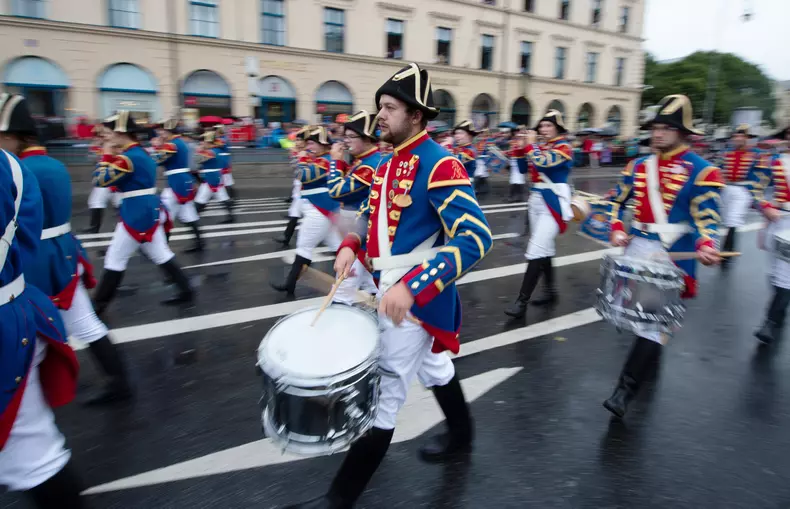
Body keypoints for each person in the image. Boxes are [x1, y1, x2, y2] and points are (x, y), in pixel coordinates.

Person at [285, 63, 492, 509]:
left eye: (390, 107)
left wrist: (413, 288)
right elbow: (373, 220)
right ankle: (463, 433)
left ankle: (336, 501)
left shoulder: (441, 164)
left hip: (416, 302)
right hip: (388, 289)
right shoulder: (387, 162)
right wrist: (352, 244)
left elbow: (476, 237)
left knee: (383, 397)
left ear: (416, 115)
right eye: (380, 106)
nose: (380, 115)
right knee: (435, 370)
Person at [0, 95, 131, 406]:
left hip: (39, 260)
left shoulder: (18, 168)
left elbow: (104, 178)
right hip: (61, 252)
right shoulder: (50, 164)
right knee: (83, 324)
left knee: (32, 334)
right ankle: (118, 383)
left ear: (16, 135)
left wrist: (110, 152)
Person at [603, 94, 722, 418]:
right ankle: (651, 357)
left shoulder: (703, 171)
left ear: (683, 132)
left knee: (651, 325)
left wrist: (707, 244)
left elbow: (707, 219)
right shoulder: (639, 165)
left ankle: (624, 390)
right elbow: (616, 201)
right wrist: (615, 227)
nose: (658, 134)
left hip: (672, 254)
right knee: (639, 319)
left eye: (666, 128)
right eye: (655, 127)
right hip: (639, 247)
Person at [0, 144, 84, 506]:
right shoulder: (18, 167)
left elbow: (106, 180)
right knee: (34, 454)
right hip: (29, 282)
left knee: (34, 457)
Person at [92, 111, 194, 315]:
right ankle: (186, 289)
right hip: (148, 207)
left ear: (121, 133)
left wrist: (106, 153)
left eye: (110, 132)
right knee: (160, 253)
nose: (107, 136)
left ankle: (99, 305)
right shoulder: (141, 154)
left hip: (136, 211)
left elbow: (99, 179)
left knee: (115, 258)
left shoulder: (127, 158)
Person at [504, 111, 574, 318]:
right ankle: (551, 291)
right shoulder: (540, 146)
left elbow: (544, 163)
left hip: (553, 200)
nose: (543, 130)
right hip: (536, 198)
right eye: (541, 126)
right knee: (545, 248)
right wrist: (519, 148)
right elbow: (525, 168)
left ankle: (521, 302)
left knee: (535, 249)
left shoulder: (564, 147)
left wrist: (531, 145)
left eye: (548, 126)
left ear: (558, 129)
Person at [270, 126, 341, 295]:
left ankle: (290, 284)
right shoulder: (318, 159)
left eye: (312, 143)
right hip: (320, 210)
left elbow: (302, 175)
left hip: (319, 211)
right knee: (337, 247)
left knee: (304, 247)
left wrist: (301, 159)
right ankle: (359, 281)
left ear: (323, 145)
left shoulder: (324, 161)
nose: (309, 146)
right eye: (308, 142)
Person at [327, 110, 383, 300]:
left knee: (342, 290)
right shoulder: (364, 161)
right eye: (345, 136)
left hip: (359, 228)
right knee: (371, 284)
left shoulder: (369, 165)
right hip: (355, 226)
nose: (345, 141)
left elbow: (336, 191)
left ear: (367, 139)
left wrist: (335, 162)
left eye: (351, 136)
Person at [749, 125, 790, 345]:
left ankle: (770, 322)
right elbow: (755, 189)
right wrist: (765, 206)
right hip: (778, 219)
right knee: (774, 273)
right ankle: (780, 308)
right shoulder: (774, 162)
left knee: (785, 274)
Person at [154, 118, 204, 253]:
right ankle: (200, 242)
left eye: (162, 131)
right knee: (189, 214)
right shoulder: (180, 143)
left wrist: (157, 146)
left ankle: (161, 246)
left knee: (163, 214)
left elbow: (157, 160)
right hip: (183, 181)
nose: (160, 134)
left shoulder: (171, 145)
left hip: (175, 182)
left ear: (168, 131)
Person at [718, 124, 757, 268]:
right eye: (736, 136)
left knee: (733, 219)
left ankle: (726, 252)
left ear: (746, 138)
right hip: (727, 188)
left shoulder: (754, 155)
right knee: (727, 219)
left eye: (741, 136)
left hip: (742, 189)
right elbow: (720, 170)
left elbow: (758, 177)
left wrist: (755, 196)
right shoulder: (727, 153)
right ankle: (729, 249)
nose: (738, 138)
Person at [82, 124, 121, 233]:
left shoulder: (117, 146)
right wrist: (95, 147)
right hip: (106, 179)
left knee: (119, 203)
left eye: (107, 133)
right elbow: (92, 159)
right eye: (102, 134)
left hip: (114, 179)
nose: (103, 136)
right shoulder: (103, 145)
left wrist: (106, 150)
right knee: (96, 201)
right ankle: (94, 228)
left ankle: (122, 227)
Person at [275, 126, 311, 246]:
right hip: (299, 185)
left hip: (307, 187)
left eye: (299, 140)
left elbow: (300, 169)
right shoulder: (300, 152)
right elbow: (294, 168)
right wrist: (295, 155)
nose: (296, 142)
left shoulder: (309, 153)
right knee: (295, 211)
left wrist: (298, 156)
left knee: (315, 214)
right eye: (296, 140)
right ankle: (286, 237)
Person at [193, 130, 234, 223]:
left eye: (203, 141)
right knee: (223, 197)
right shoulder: (216, 150)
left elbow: (196, 159)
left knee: (200, 199)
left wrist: (199, 150)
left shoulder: (210, 152)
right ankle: (231, 217)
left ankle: (193, 218)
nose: (201, 143)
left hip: (210, 177)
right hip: (216, 176)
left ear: (208, 142)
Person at [453, 120, 485, 197]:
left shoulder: (470, 151)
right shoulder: (459, 148)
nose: (456, 136)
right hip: (457, 186)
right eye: (456, 133)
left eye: (460, 133)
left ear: (469, 136)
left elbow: (453, 163)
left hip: (465, 187)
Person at [214, 125, 237, 202]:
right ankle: (226, 196)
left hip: (224, 163)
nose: (215, 132)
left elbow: (218, 144)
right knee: (223, 181)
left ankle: (232, 197)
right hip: (221, 162)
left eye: (216, 131)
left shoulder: (223, 139)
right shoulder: (220, 139)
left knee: (227, 181)